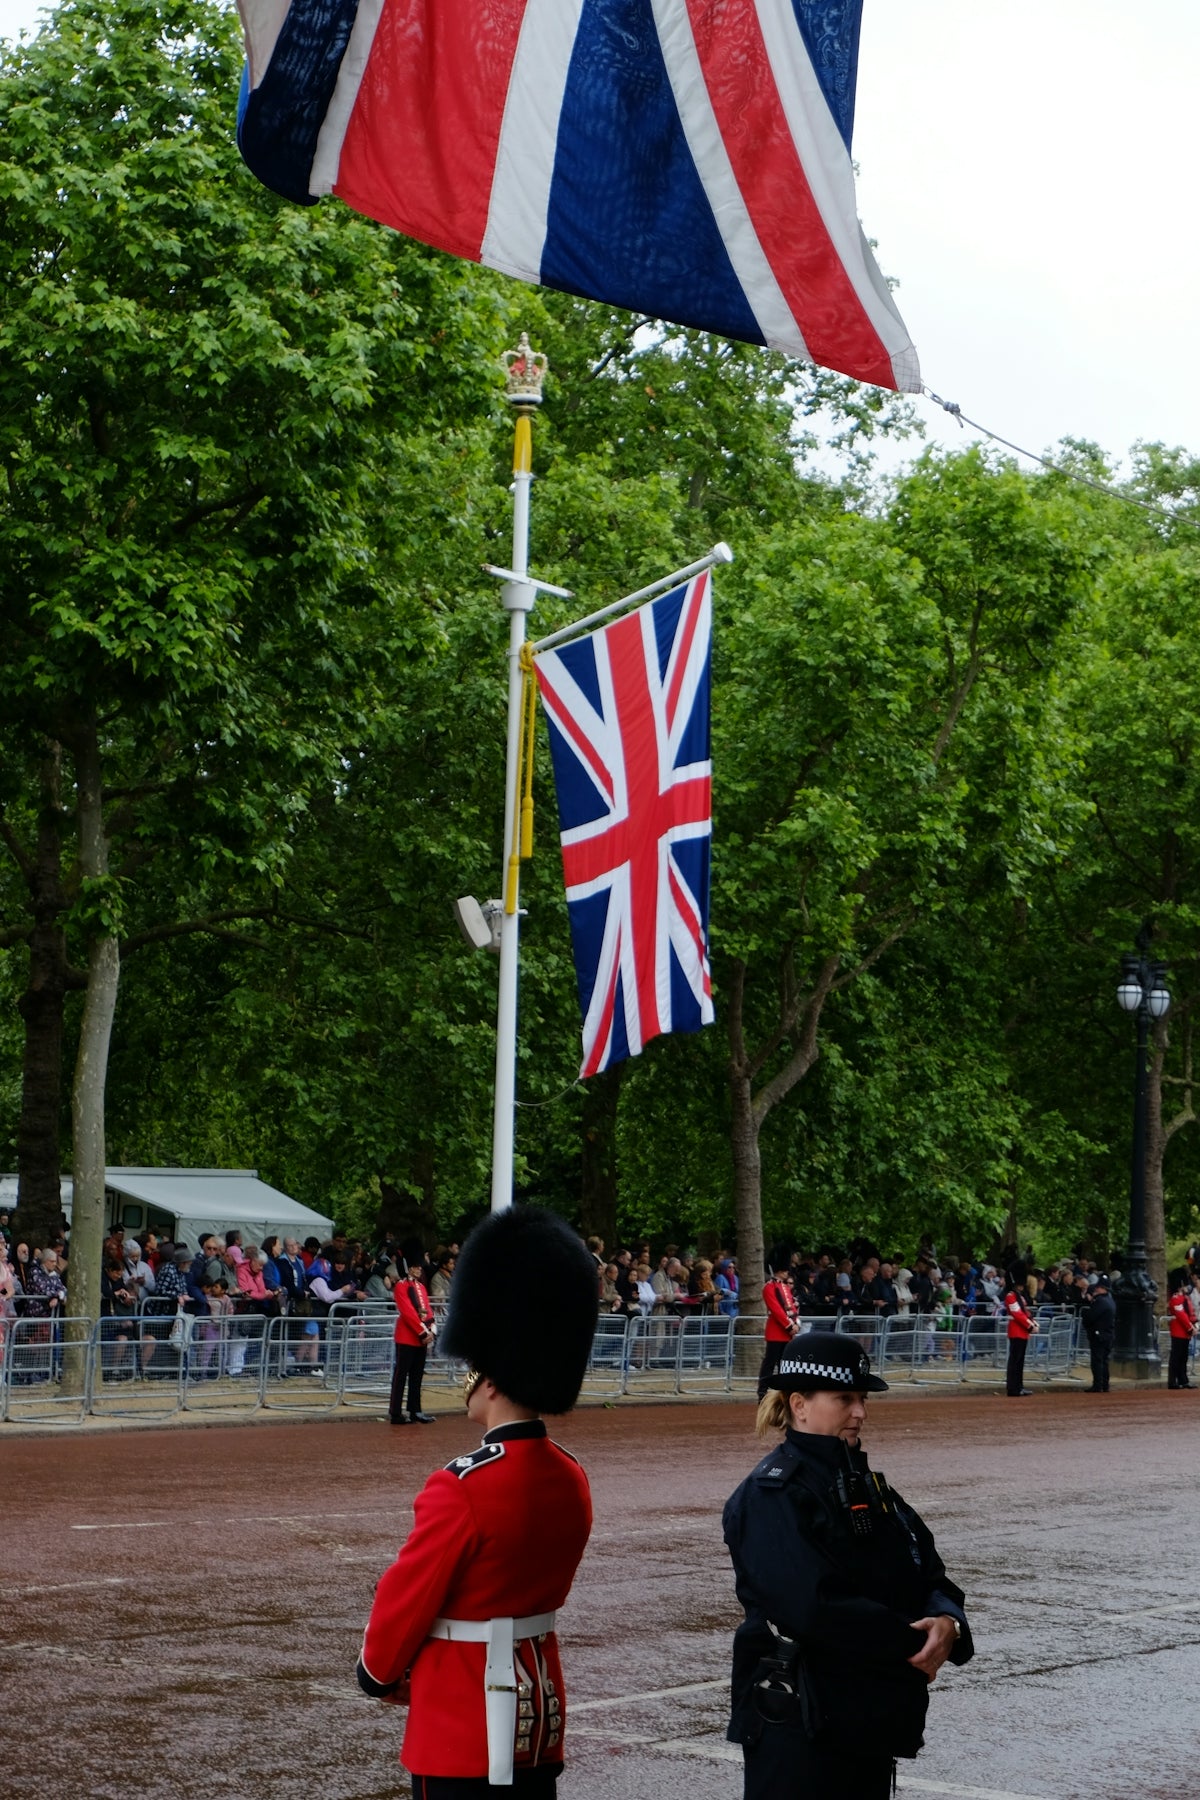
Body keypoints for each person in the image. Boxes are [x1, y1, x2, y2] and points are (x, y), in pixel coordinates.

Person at [357, 1205, 597, 1796]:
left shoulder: (462, 1486)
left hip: (462, 1728)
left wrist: (377, 1673)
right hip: (537, 1716)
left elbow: (406, 1598)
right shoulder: (570, 1477)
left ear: (491, 1375)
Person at [723, 1331, 973, 1799]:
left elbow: (927, 1569)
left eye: (861, 1398)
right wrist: (918, 1642)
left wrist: (948, 1622)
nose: (860, 1411)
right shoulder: (772, 1494)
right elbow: (812, 1607)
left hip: (864, 1717)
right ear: (799, 1404)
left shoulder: (865, 1485)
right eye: (844, 1398)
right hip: (801, 1724)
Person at [389, 1261, 437, 1424]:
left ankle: (415, 1410)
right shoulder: (401, 1286)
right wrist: (423, 1331)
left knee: (417, 1376)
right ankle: (395, 1412)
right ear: (408, 1268)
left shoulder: (421, 1287)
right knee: (400, 1376)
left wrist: (431, 1327)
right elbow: (408, 1312)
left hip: (421, 1338)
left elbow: (427, 1308)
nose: (419, 1269)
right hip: (407, 1337)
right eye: (416, 1266)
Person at [758, 1261, 798, 1400]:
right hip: (776, 1331)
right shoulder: (769, 1287)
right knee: (769, 1363)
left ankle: (783, 1391)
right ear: (779, 1271)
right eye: (785, 1270)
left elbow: (790, 1306)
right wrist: (789, 1325)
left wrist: (795, 1322)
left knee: (784, 1364)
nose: (787, 1272)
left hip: (786, 1333)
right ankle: (762, 1392)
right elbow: (776, 1309)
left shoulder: (784, 1287)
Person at [1003, 1266, 1037, 1397]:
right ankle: (1013, 1388)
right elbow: (1017, 1314)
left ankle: (1019, 1386)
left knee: (1020, 1361)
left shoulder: (1020, 1297)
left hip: (1022, 1331)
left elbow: (1025, 1312)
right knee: (1015, 1361)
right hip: (1017, 1330)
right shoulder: (1011, 1296)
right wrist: (1030, 1326)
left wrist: (1033, 1323)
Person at [1082, 1272, 1117, 1393]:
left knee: (1097, 1360)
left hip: (1099, 1335)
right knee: (1104, 1360)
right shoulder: (1110, 1301)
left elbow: (1090, 1316)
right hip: (1107, 1334)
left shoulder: (1100, 1302)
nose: (1096, 1289)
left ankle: (1098, 1385)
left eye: (1098, 1287)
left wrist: (1086, 1312)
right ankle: (1104, 1384)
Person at [1166, 1269, 1197, 1389]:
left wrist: (1195, 1325)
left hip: (1185, 1333)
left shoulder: (1185, 1298)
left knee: (1183, 1357)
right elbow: (1182, 1316)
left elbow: (1191, 1313)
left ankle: (1183, 1380)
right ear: (1180, 1284)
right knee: (1176, 1357)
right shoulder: (1175, 1299)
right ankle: (1172, 1381)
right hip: (1179, 1332)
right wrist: (1190, 1328)